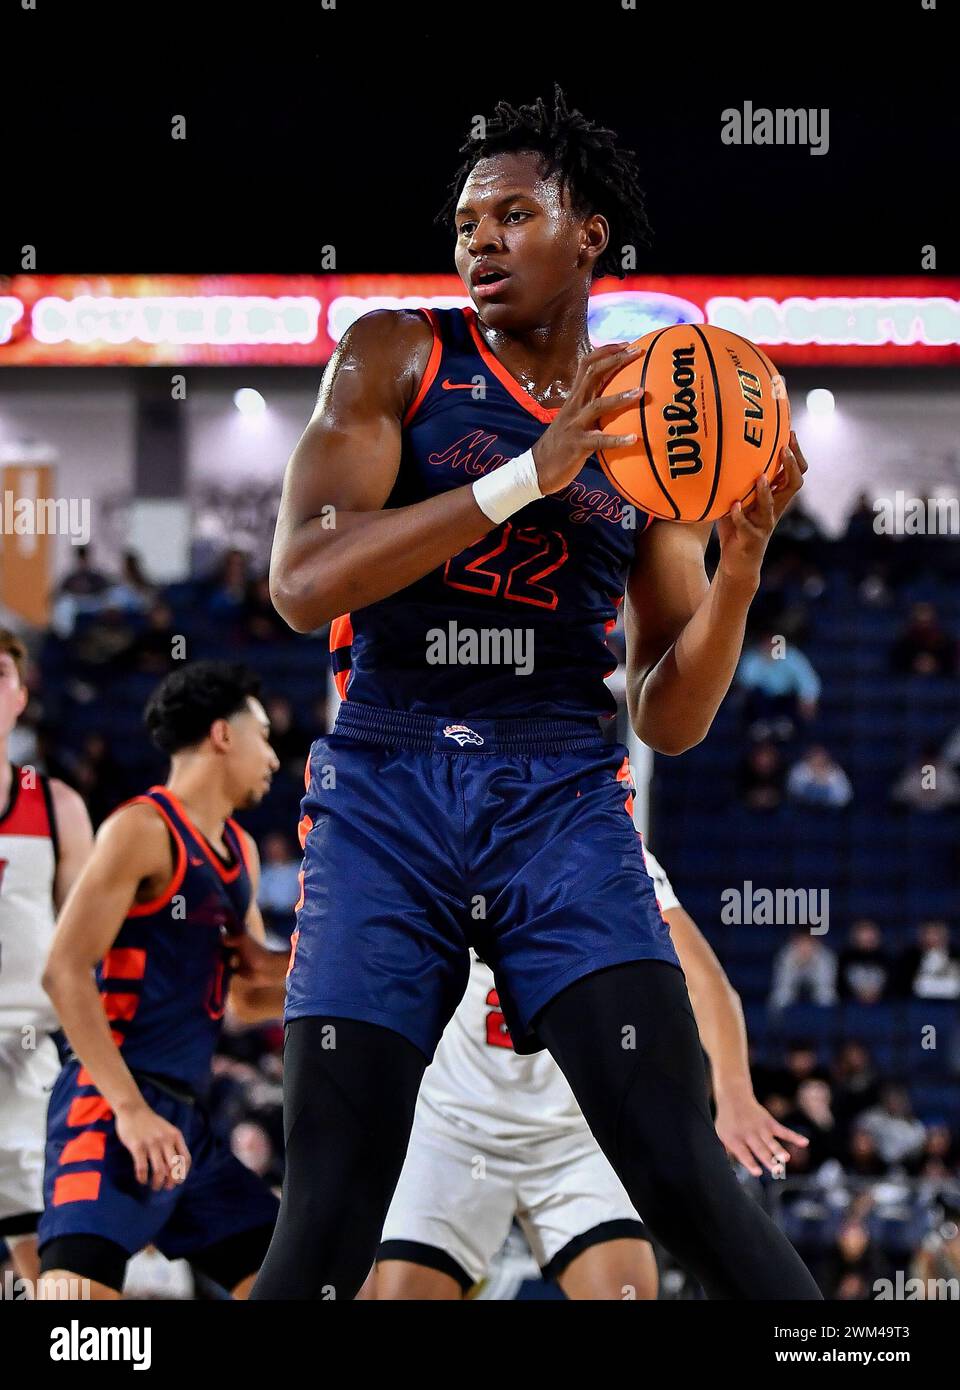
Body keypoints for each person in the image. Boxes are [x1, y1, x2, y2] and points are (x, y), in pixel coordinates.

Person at [253, 85, 820, 1301]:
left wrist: (744, 561)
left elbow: (671, 711)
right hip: (388, 782)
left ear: (591, 234)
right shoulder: (399, 354)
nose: (481, 242)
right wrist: (524, 475)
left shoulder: (652, 414)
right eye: (467, 222)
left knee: (681, 1174)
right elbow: (300, 583)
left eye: (516, 215)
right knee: (328, 1212)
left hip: (561, 790)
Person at [373, 848, 807, 1300]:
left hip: (579, 1134)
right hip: (452, 1127)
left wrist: (735, 1093)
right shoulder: (428, 840)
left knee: (627, 1291)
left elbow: (703, 981)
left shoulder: (605, 842)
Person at [37, 662, 288, 1300]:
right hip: (108, 1105)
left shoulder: (241, 852)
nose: (274, 758)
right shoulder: (141, 829)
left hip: (184, 1124)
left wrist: (343, 982)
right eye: (263, 736)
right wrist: (127, 1109)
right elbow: (63, 972)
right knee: (72, 1327)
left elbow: (243, 997)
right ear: (222, 736)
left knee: (295, 1283)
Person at [0, 630, 94, 1293]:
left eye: (0, 673)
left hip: (28, 1051)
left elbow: (86, 952)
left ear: (21, 695)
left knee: (45, 1254)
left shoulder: (56, 805)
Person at [768, 930, 838, 1011]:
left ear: (815, 942)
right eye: (801, 942)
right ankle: (778, 1022)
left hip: (819, 984)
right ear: (794, 941)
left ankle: (825, 1020)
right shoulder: (785, 955)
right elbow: (782, 983)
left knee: (827, 996)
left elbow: (826, 983)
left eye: (808, 942)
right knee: (780, 996)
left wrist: (813, 963)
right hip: (791, 984)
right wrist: (795, 965)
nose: (805, 946)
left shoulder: (826, 956)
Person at [786, 744, 852, 808]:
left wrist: (824, 784)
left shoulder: (835, 771)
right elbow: (793, 791)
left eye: (821, 756)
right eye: (815, 756)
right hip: (802, 809)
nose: (818, 759)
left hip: (828, 811)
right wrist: (816, 783)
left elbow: (844, 797)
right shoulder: (800, 768)